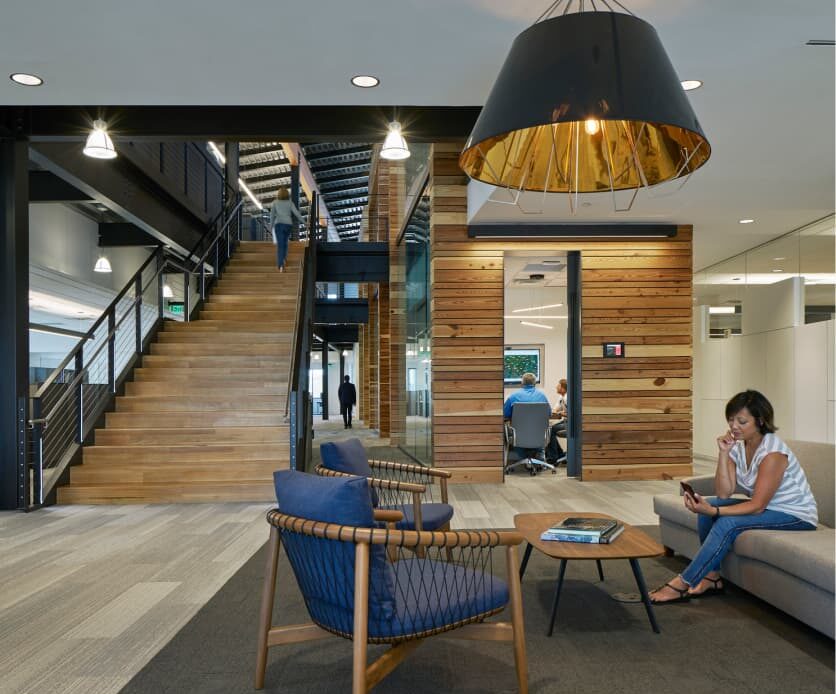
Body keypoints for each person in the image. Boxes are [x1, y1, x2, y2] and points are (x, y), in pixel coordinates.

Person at [649, 389, 818, 604]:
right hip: (769, 508)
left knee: (726, 522)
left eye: (742, 421)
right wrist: (723, 453)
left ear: (760, 421)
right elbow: (724, 492)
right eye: (731, 420)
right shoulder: (739, 447)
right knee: (709, 506)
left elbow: (756, 506)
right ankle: (712, 576)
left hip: (795, 515)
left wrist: (716, 511)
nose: (734, 426)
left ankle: (684, 582)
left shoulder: (773, 453)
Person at [503, 373, 551, 464]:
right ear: (535, 383)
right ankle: (539, 457)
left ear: (522, 383)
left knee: (508, 431)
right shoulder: (542, 396)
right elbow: (549, 414)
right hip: (539, 436)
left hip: (519, 437)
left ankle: (522, 458)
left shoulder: (513, 397)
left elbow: (505, 414)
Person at [269, 187, 302, 272]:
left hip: (279, 225)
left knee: (280, 245)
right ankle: (284, 258)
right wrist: (304, 222)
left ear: (278, 194)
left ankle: (280, 265)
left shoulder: (275, 203)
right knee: (285, 242)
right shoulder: (290, 203)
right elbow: (297, 213)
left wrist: (271, 226)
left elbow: (272, 216)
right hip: (288, 225)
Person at [546, 379, 568, 464]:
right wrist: (560, 412)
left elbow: (573, 414)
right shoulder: (561, 397)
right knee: (550, 429)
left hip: (572, 423)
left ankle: (553, 457)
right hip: (566, 421)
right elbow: (555, 410)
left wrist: (562, 413)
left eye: (558, 386)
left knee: (550, 430)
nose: (556, 387)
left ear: (563, 388)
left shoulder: (567, 397)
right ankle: (560, 455)